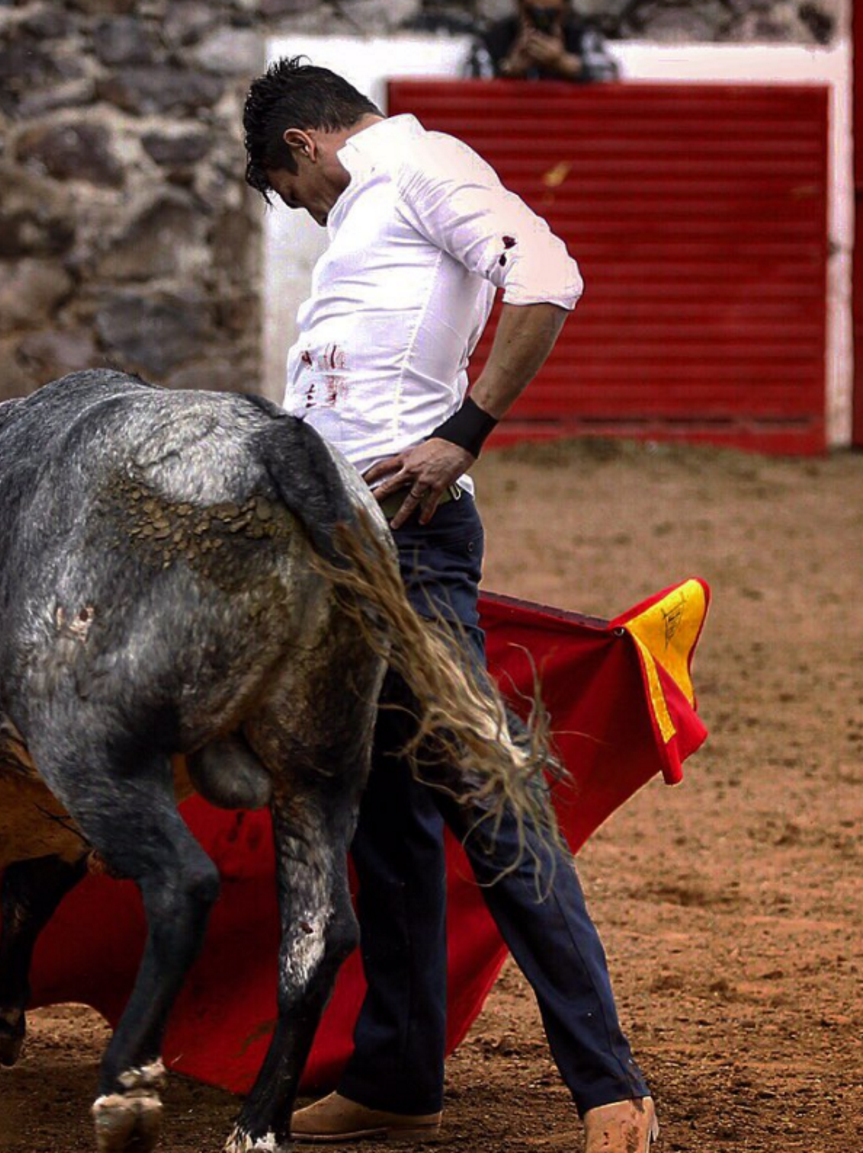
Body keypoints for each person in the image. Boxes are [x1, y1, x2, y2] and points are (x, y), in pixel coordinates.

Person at [242, 58, 656, 1153]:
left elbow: (548, 277)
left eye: (298, 197)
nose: (311, 214)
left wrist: (460, 432)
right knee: (384, 819)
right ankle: (395, 1078)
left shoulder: (423, 165)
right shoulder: (378, 208)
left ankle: (609, 1086)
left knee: (488, 796)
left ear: (302, 146)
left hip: (410, 549)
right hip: (330, 550)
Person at [466, 0, 618, 82]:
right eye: (533, 12)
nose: (542, 20)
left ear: (565, 8)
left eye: (551, 14)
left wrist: (564, 63)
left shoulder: (583, 37)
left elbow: (610, 76)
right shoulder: (493, 39)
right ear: (519, 6)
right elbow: (470, 89)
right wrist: (510, 69)